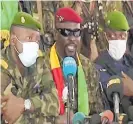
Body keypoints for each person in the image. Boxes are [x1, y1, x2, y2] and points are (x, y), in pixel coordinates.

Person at [44, 7, 105, 123]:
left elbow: (97, 110)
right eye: (66, 33)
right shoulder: (41, 66)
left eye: (77, 33)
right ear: (56, 34)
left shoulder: (87, 66)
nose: (72, 39)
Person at [1, 12, 59, 124]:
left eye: (37, 40)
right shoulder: (2, 66)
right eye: (29, 38)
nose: (34, 44)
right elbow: (8, 116)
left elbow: (55, 102)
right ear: (13, 40)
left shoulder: (39, 62)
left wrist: (26, 104)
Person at [95, 11, 133, 113]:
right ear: (105, 36)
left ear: (127, 36)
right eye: (112, 36)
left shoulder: (130, 61)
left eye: (122, 36)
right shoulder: (98, 65)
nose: (118, 40)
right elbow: (119, 88)